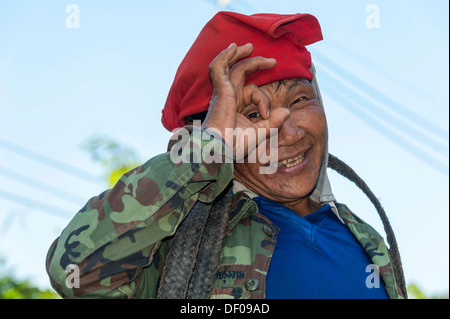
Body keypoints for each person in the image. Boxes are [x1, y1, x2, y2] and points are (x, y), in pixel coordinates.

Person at [46, 11, 406, 299]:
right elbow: (75, 273)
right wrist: (209, 145)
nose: (290, 132)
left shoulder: (367, 241)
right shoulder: (180, 240)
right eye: (252, 116)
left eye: (300, 99)